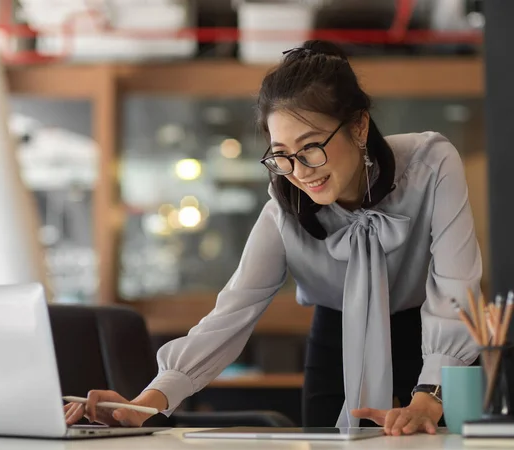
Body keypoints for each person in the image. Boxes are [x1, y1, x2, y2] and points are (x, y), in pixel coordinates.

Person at [65, 40, 482, 436]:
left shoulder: (430, 167)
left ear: (358, 125)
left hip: (433, 334)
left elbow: (455, 288)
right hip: (338, 335)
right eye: (281, 154)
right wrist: (145, 403)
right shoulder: (283, 211)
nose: (299, 170)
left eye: (311, 147)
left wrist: (432, 394)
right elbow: (231, 314)